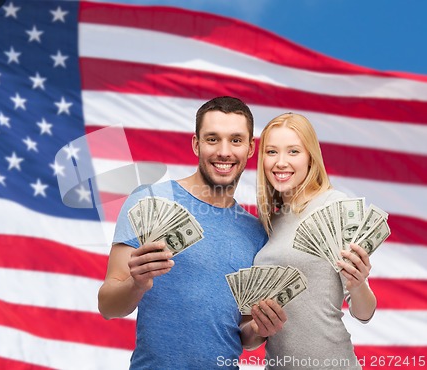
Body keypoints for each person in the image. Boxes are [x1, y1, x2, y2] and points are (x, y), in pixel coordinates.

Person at [98, 96, 286, 369]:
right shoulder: (150, 201)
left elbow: (245, 334)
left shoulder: (256, 233)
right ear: (196, 145)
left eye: (235, 140)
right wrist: (136, 284)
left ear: (250, 148)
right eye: (212, 139)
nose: (224, 151)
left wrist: (260, 329)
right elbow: (108, 307)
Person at [249, 112, 376, 369]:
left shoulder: (334, 206)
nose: (281, 162)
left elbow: (364, 313)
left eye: (293, 151)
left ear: (310, 158)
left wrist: (358, 283)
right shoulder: (269, 223)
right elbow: (254, 337)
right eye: (272, 152)